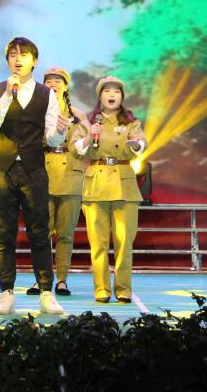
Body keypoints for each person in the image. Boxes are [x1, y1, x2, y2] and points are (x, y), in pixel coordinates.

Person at [0, 37, 70, 316]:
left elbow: (51, 137)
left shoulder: (47, 94)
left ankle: (45, 292)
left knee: (40, 232)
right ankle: (6, 292)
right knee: (4, 233)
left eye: (24, 54)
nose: (18, 59)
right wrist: (8, 96)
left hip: (34, 170)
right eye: (13, 55)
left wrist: (61, 131)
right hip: (3, 169)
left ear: (34, 60)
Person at [70, 76, 147, 303]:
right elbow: (74, 149)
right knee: (98, 243)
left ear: (122, 96)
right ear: (100, 96)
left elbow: (141, 142)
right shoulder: (88, 121)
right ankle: (101, 289)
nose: (112, 95)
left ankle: (123, 289)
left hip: (124, 184)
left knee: (124, 242)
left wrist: (136, 145)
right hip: (96, 183)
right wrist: (88, 136)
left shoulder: (131, 121)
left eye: (116, 91)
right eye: (107, 91)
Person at [26, 67, 89, 297]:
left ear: (65, 86)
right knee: (41, 232)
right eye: (49, 81)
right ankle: (41, 279)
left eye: (57, 81)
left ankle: (62, 280)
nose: (53, 84)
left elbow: (85, 146)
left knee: (66, 233)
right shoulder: (36, 111)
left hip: (70, 174)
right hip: (43, 172)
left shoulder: (78, 115)